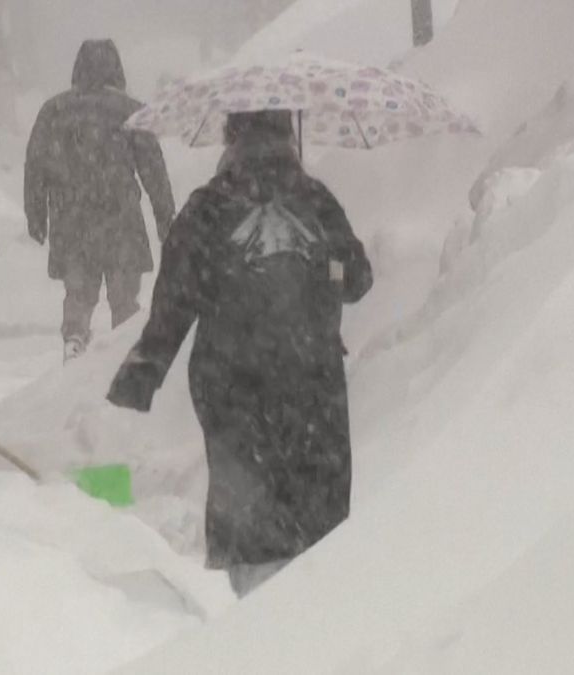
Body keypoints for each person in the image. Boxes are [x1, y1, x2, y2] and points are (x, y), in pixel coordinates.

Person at [107, 111, 373, 597]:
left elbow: (174, 300)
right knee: (317, 516)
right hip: (312, 385)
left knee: (249, 512)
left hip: (232, 387)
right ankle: (321, 619)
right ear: (288, 136)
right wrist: (320, 265)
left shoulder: (207, 208)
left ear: (230, 139)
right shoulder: (316, 201)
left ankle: (256, 629)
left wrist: (144, 371)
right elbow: (358, 280)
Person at [24, 39, 176, 361]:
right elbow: (154, 170)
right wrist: (165, 218)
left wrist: (36, 216)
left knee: (78, 295)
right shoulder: (131, 111)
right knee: (124, 300)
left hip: (71, 219)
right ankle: (124, 354)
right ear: (116, 68)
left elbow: (35, 166)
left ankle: (75, 339)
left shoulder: (54, 110)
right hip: (120, 218)